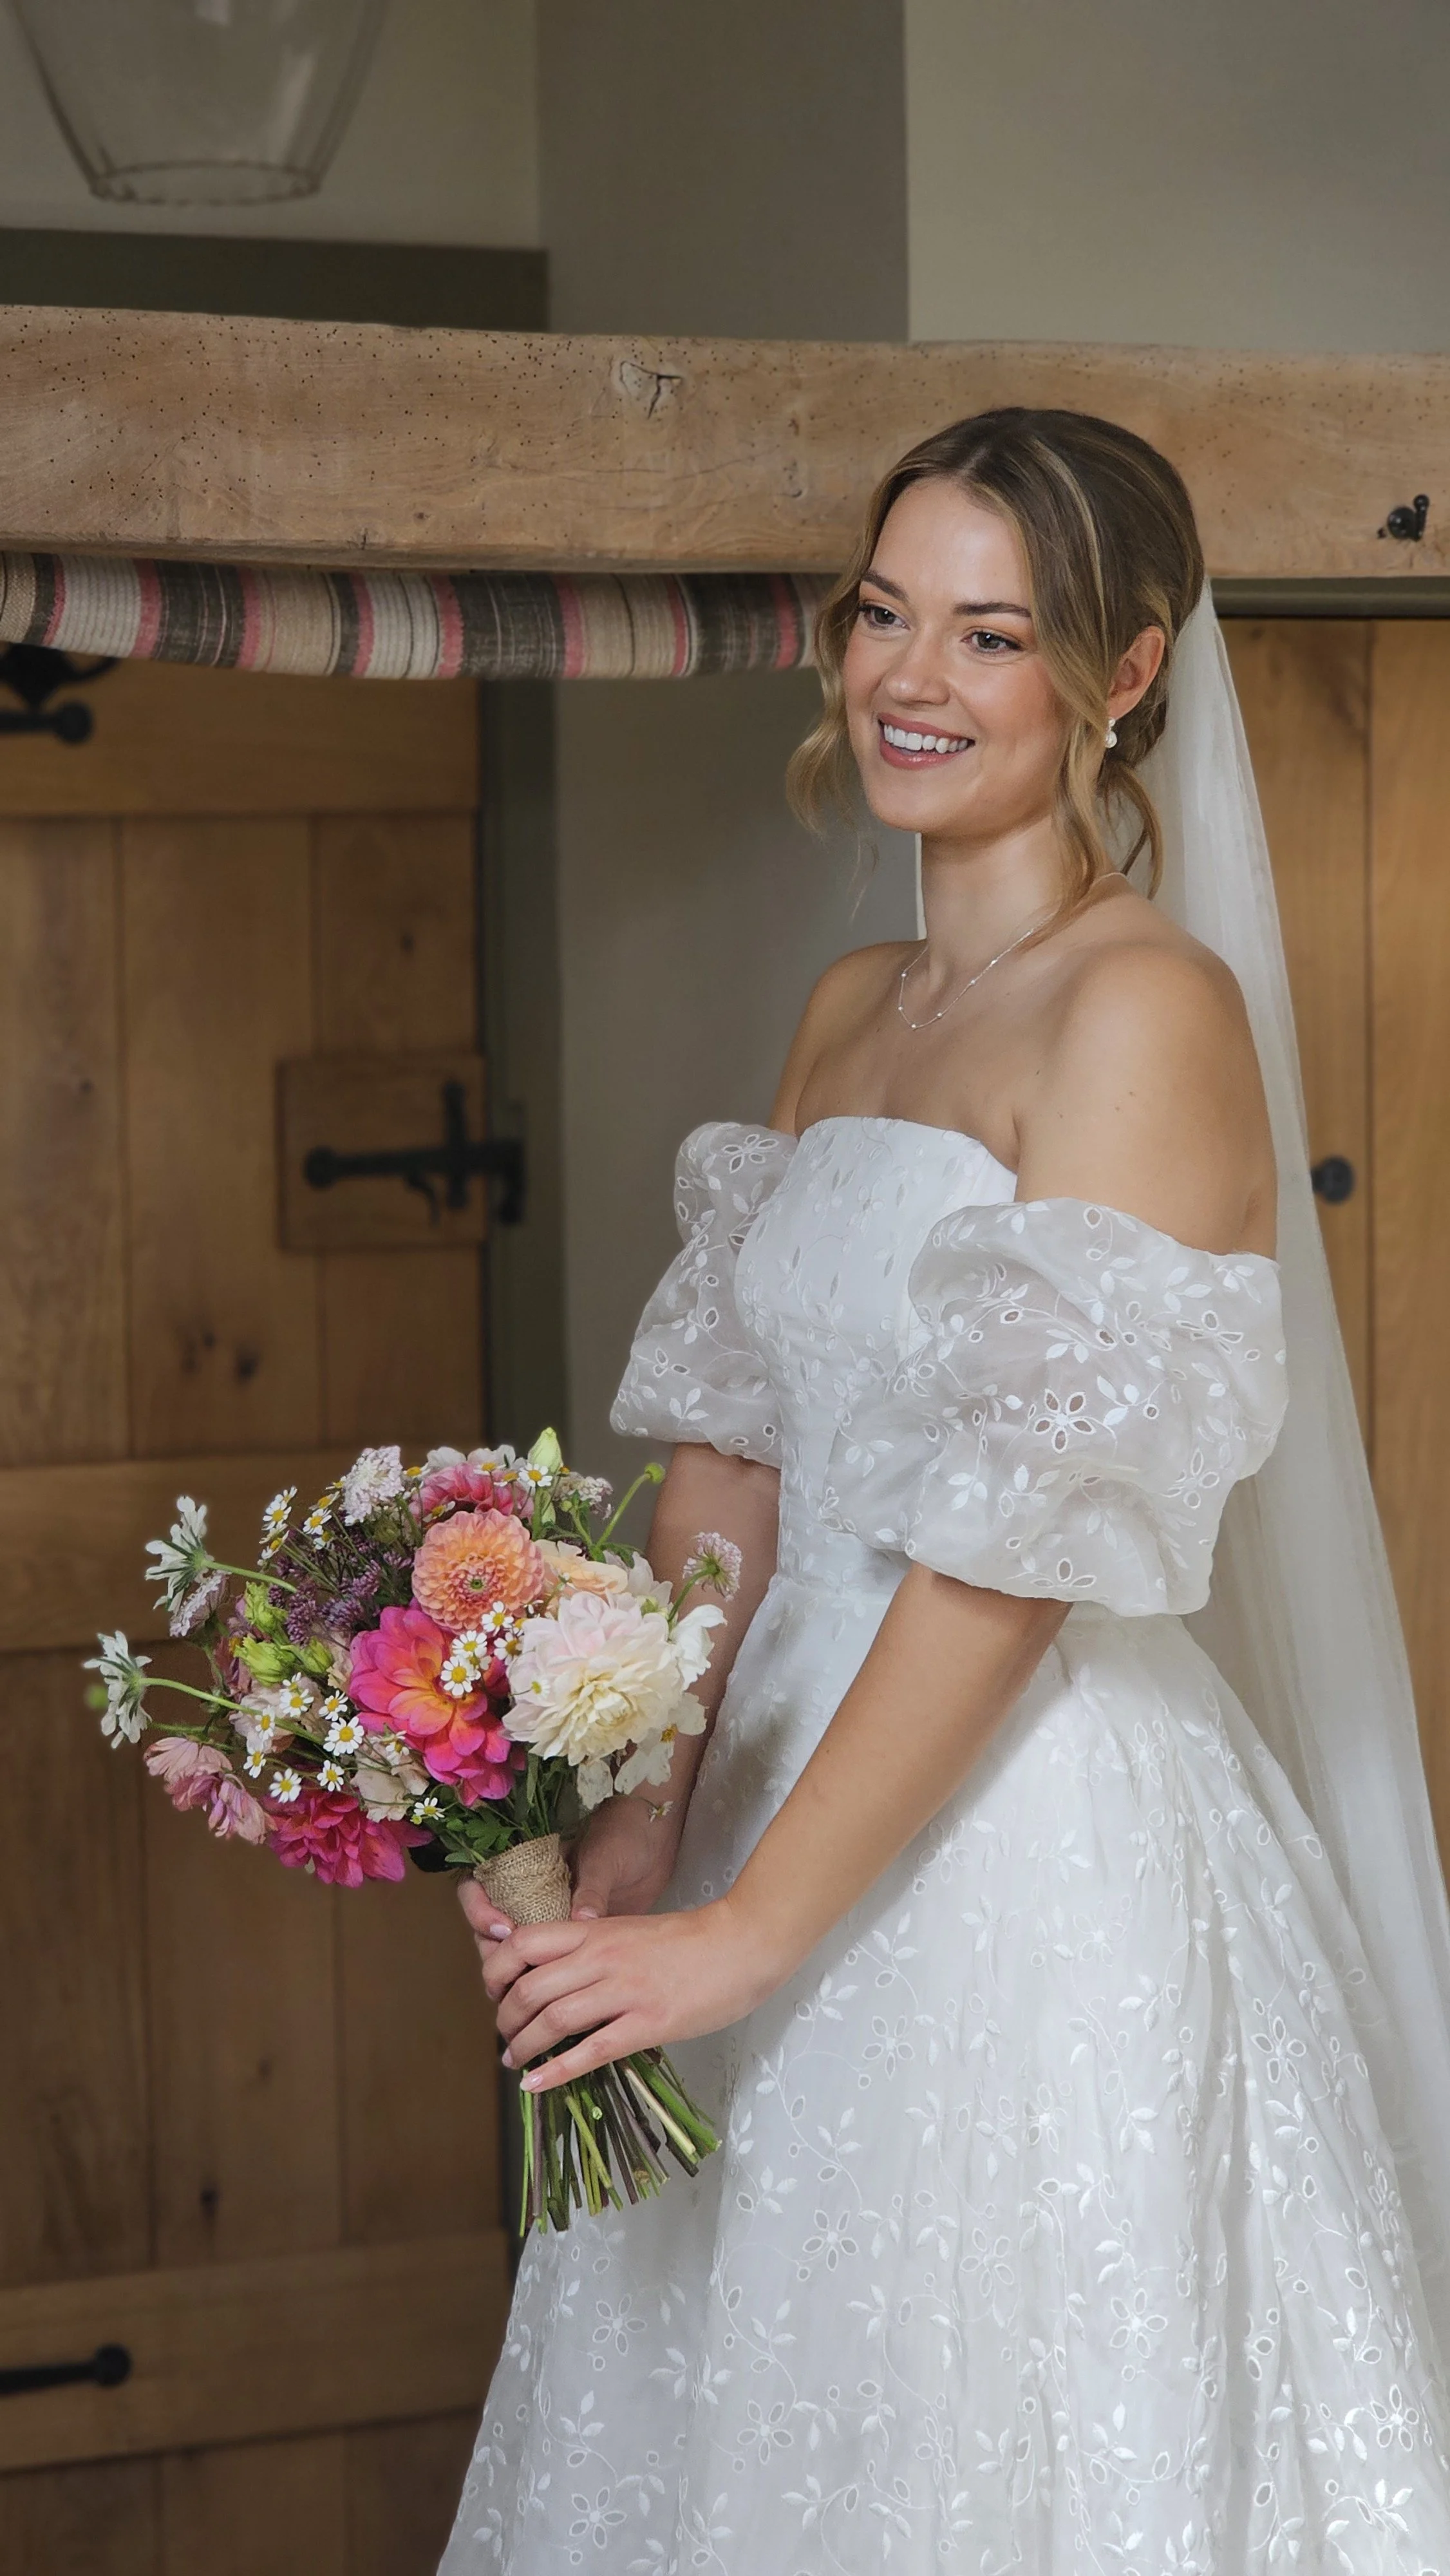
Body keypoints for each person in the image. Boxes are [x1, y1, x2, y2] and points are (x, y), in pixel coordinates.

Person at [440, 410, 1450, 2573]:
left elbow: (1016, 1551)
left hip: (1022, 1839)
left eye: (989, 631)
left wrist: (746, 1936)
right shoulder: (850, 1005)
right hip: (763, 1784)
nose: (909, 673)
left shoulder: (1146, 1011)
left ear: (1122, 673)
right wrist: (632, 1828)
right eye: (883, 614)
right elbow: (729, 1464)